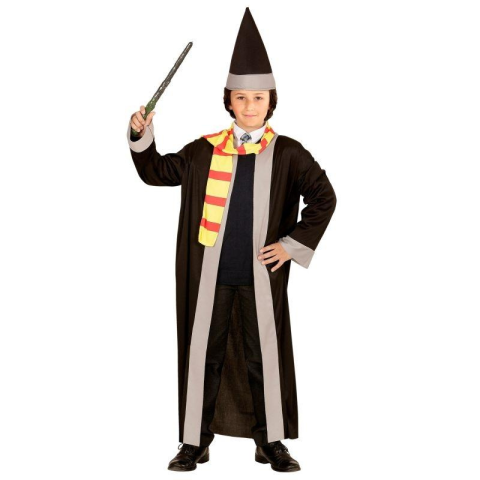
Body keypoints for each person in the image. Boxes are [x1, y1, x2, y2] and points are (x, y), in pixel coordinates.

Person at [127, 7, 336, 473]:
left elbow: (325, 198)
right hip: (210, 277)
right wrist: (141, 134)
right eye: (241, 98)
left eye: (258, 98)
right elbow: (157, 171)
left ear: (270, 101)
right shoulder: (205, 150)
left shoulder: (288, 153)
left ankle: (270, 442)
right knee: (204, 356)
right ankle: (194, 442)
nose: (249, 106)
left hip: (261, 275)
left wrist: (290, 245)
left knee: (264, 360)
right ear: (229, 101)